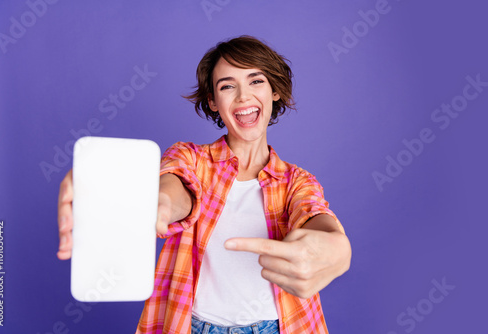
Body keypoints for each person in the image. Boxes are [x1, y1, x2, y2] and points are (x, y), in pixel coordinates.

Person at [57, 35, 351, 334]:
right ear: (213, 100)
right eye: (227, 86)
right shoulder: (190, 158)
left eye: (255, 81)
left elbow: (316, 217)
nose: (243, 96)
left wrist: (338, 250)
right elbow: (175, 188)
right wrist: (154, 202)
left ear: (274, 91)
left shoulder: (297, 181)